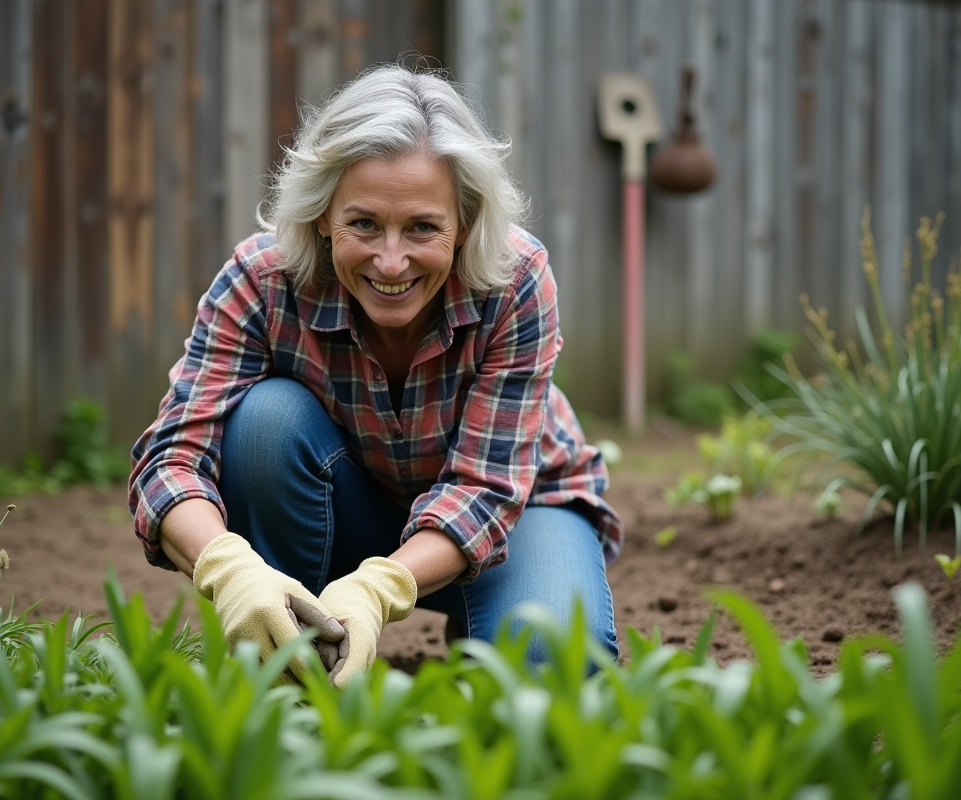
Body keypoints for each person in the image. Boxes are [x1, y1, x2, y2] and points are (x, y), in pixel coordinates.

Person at [128, 65, 623, 686]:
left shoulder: (515, 281)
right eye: (363, 223)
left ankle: (476, 617)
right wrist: (229, 569)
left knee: (549, 661)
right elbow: (172, 459)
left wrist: (380, 588)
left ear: (463, 225)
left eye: (422, 226)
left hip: (519, 510)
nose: (392, 261)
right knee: (264, 421)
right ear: (323, 217)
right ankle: (288, 651)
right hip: (345, 509)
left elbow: (487, 488)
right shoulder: (262, 282)